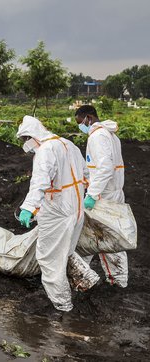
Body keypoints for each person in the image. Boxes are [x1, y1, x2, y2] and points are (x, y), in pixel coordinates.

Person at [16, 115, 87, 311]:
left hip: (58, 212)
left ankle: (62, 304)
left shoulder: (46, 150)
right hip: (76, 209)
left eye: (25, 140)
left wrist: (28, 208)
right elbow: (86, 174)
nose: (26, 145)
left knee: (49, 259)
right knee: (66, 251)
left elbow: (40, 182)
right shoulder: (68, 144)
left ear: (32, 136)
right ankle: (82, 282)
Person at [75, 105, 128, 287]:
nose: (81, 126)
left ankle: (116, 280)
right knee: (96, 235)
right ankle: (83, 275)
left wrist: (92, 194)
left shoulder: (98, 136)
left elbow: (105, 168)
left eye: (80, 122)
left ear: (88, 117)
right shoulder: (110, 134)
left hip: (103, 196)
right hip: (111, 191)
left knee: (104, 237)